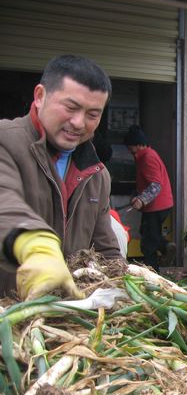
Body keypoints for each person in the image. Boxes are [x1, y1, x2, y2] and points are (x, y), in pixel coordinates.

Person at [0, 54, 121, 300]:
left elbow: (106, 250)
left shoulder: (97, 175)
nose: (78, 123)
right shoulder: (6, 141)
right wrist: (35, 245)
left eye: (92, 114)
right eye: (71, 108)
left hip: (65, 313)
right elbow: (4, 203)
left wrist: (124, 285)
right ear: (40, 96)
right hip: (10, 309)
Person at [124, 125, 174, 273]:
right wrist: (137, 195)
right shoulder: (147, 155)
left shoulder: (147, 158)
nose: (129, 150)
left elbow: (156, 185)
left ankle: (153, 271)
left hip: (156, 206)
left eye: (130, 147)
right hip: (158, 205)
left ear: (138, 145)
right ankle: (165, 246)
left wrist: (142, 199)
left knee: (148, 243)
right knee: (148, 234)